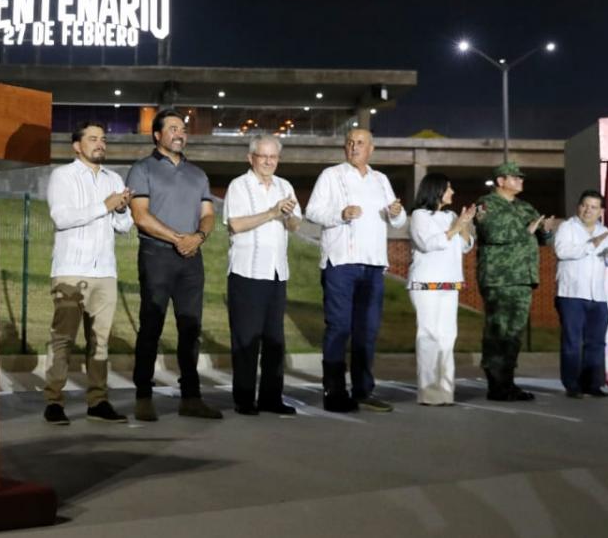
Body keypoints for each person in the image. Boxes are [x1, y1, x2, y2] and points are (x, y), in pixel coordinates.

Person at [126, 109, 222, 421]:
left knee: (190, 330)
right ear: (157, 135)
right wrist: (177, 238)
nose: (180, 133)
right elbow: (140, 215)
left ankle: (191, 398)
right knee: (151, 327)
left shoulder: (198, 174)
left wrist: (198, 237)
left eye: (182, 128)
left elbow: (208, 214)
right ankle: (143, 396)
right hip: (157, 257)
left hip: (192, 259)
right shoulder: (143, 169)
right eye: (172, 128)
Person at [305, 128, 407, 413]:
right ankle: (334, 393)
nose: (354, 147)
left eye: (360, 143)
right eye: (350, 142)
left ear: (371, 149)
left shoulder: (380, 180)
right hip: (341, 263)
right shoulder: (331, 175)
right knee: (339, 328)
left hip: (374, 265)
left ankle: (363, 391)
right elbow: (311, 212)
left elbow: (398, 222)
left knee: (367, 330)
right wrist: (340, 214)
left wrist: (397, 212)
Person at [42, 122, 133, 425]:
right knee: (63, 339)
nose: (100, 144)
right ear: (77, 146)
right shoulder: (62, 176)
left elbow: (124, 227)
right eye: (92, 139)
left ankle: (98, 401)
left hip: (105, 271)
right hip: (70, 270)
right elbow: (62, 218)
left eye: (103, 139)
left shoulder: (114, 178)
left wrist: (120, 210)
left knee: (100, 341)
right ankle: (54, 401)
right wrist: (105, 205)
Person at [223, 135, 302, 416]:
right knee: (246, 339)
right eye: (263, 156)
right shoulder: (239, 186)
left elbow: (294, 225)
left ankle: (271, 397)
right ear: (251, 158)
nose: (268, 162)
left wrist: (289, 215)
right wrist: (271, 212)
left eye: (273, 157)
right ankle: (244, 398)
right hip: (247, 271)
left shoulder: (285, 186)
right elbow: (235, 224)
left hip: (277, 272)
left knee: (274, 340)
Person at [473, 161, 559, 401]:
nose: (521, 180)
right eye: (515, 177)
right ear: (501, 181)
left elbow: (541, 238)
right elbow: (492, 232)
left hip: (523, 277)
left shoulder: (525, 206)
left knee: (514, 333)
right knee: (498, 330)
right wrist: (527, 230)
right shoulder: (486, 204)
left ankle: (508, 382)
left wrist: (547, 231)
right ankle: (496, 384)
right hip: (499, 278)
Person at [407, 173, 476, 406]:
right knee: (429, 336)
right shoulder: (419, 216)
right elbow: (428, 243)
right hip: (426, 284)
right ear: (436, 190)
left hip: (450, 282)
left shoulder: (452, 215)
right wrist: (456, 227)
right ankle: (428, 393)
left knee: (447, 337)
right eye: (448, 188)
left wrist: (464, 224)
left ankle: (445, 391)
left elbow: (466, 245)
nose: (452, 193)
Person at [553, 190, 608, 398]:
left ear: (601, 211)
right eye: (585, 205)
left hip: (598, 296)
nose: (588, 210)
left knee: (596, 342)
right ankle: (572, 384)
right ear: (578, 206)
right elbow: (563, 252)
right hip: (571, 294)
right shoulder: (568, 227)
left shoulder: (605, 232)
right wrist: (591, 244)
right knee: (572, 341)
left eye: (593, 207)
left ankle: (592, 384)